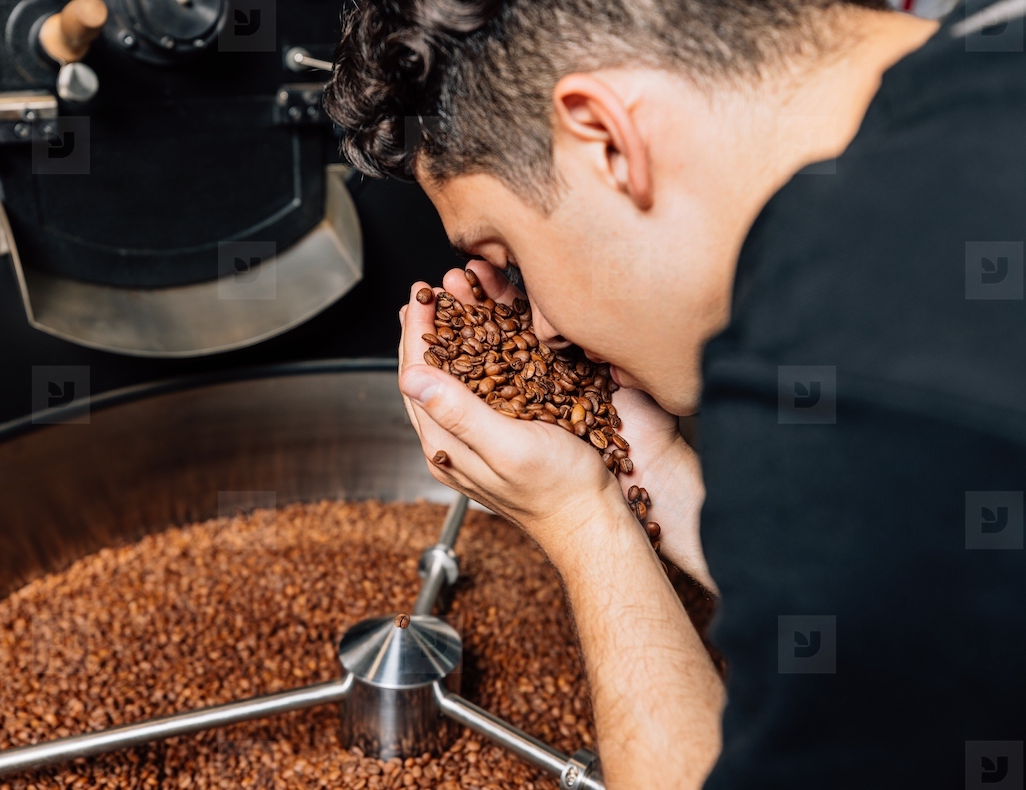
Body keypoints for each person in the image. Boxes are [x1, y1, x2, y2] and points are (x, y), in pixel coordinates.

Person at [325, 0, 1026, 786]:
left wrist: (585, 520)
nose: (545, 329)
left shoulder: (844, 357)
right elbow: (922, 625)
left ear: (604, 139)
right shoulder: (990, 52)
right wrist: (654, 477)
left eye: (507, 250)